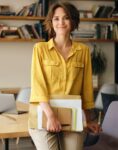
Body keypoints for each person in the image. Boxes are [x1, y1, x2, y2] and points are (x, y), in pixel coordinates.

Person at [28, 1, 100, 150]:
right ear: (51, 22)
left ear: (73, 21)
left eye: (65, 18)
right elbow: (38, 86)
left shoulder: (83, 51)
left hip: (72, 116)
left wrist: (89, 119)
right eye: (56, 18)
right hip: (44, 114)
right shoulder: (40, 49)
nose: (60, 22)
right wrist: (51, 116)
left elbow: (86, 89)